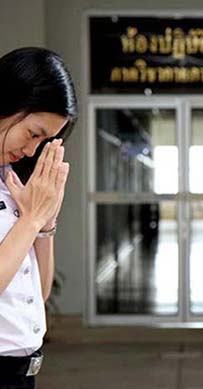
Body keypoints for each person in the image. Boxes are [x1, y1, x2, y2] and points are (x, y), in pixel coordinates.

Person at [0, 47, 77, 388]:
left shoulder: (11, 179)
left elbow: (40, 294)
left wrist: (45, 225)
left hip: (21, 375)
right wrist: (30, 219)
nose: (32, 151)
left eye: (46, 141)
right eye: (33, 133)